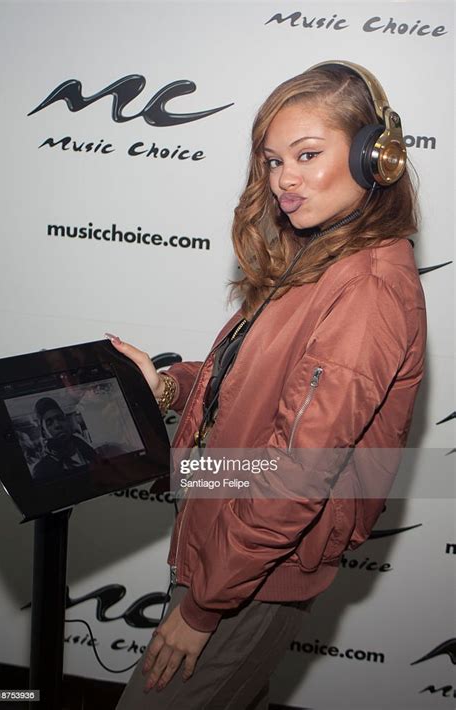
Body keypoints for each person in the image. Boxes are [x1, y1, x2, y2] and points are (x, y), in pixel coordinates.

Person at [112, 61, 427, 709]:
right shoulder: (323, 256)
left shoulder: (365, 290)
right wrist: (169, 387)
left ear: (377, 157)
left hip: (247, 580)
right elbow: (261, 389)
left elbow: (295, 475)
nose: (284, 179)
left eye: (307, 154)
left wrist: (205, 608)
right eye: (272, 160)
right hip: (228, 559)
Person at [32, 397, 98, 479]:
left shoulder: (89, 451)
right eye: (49, 423)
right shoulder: (41, 470)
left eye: (60, 418)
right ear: (44, 433)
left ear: (67, 422)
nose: (57, 425)